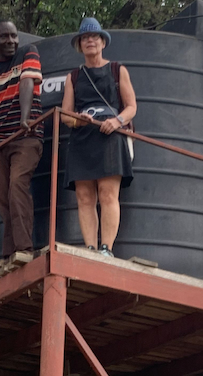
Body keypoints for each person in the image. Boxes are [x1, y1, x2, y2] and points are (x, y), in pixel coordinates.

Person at [59, 17, 137, 257]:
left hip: (110, 137)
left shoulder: (117, 69)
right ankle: (90, 248)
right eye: (84, 38)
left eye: (94, 37)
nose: (90, 41)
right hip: (83, 139)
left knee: (107, 193)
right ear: (80, 45)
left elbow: (131, 106)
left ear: (103, 42)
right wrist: (78, 120)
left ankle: (107, 248)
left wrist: (116, 121)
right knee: (84, 196)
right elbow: (65, 116)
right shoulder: (73, 77)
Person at [0, 20, 43, 261]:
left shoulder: (29, 52)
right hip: (1, 143)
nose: (12, 41)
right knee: (1, 197)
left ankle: (24, 249)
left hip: (26, 136)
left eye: (14, 35)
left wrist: (25, 119)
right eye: (4, 37)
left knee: (17, 187)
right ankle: (8, 253)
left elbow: (26, 83)